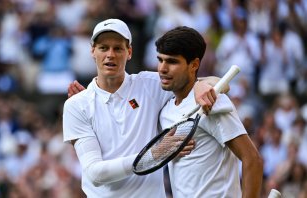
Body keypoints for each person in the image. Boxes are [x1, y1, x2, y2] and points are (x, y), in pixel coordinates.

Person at [63, 18, 220, 197]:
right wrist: (154, 154)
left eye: (118, 48)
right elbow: (95, 173)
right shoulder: (77, 105)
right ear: (93, 51)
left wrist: (199, 85)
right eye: (103, 48)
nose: (110, 55)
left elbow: (220, 84)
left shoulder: (149, 85)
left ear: (129, 52)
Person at [155, 26, 263, 197]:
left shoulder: (212, 102)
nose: (162, 68)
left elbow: (252, 160)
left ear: (194, 65)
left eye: (172, 61)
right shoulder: (165, 110)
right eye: (160, 60)